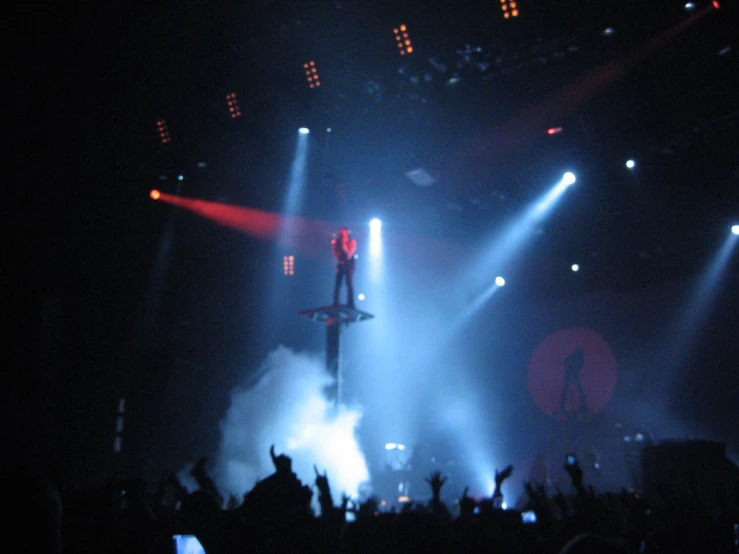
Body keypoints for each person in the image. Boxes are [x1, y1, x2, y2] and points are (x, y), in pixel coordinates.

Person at [331, 227, 356, 308]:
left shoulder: (352, 242)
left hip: (349, 264)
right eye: (340, 233)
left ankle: (350, 303)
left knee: (349, 283)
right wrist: (334, 246)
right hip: (340, 264)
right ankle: (336, 302)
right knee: (338, 284)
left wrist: (344, 245)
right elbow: (335, 254)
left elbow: (349, 254)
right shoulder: (337, 242)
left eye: (343, 233)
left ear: (347, 233)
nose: (341, 234)